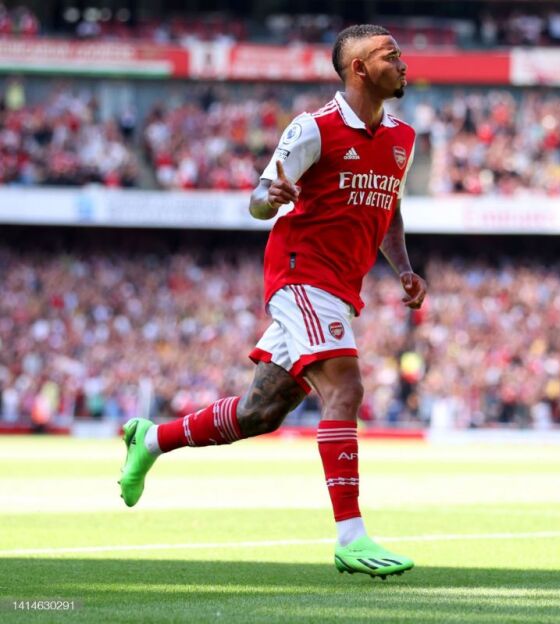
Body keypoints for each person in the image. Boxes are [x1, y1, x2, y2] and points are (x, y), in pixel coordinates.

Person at [118, 24, 425, 579]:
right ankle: (350, 536)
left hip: (341, 288)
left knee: (260, 412)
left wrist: (402, 267)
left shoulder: (403, 137)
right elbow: (260, 200)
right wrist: (272, 196)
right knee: (346, 387)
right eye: (391, 55)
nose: (403, 63)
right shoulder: (314, 128)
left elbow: (390, 210)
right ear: (359, 69)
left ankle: (151, 439)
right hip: (300, 274)